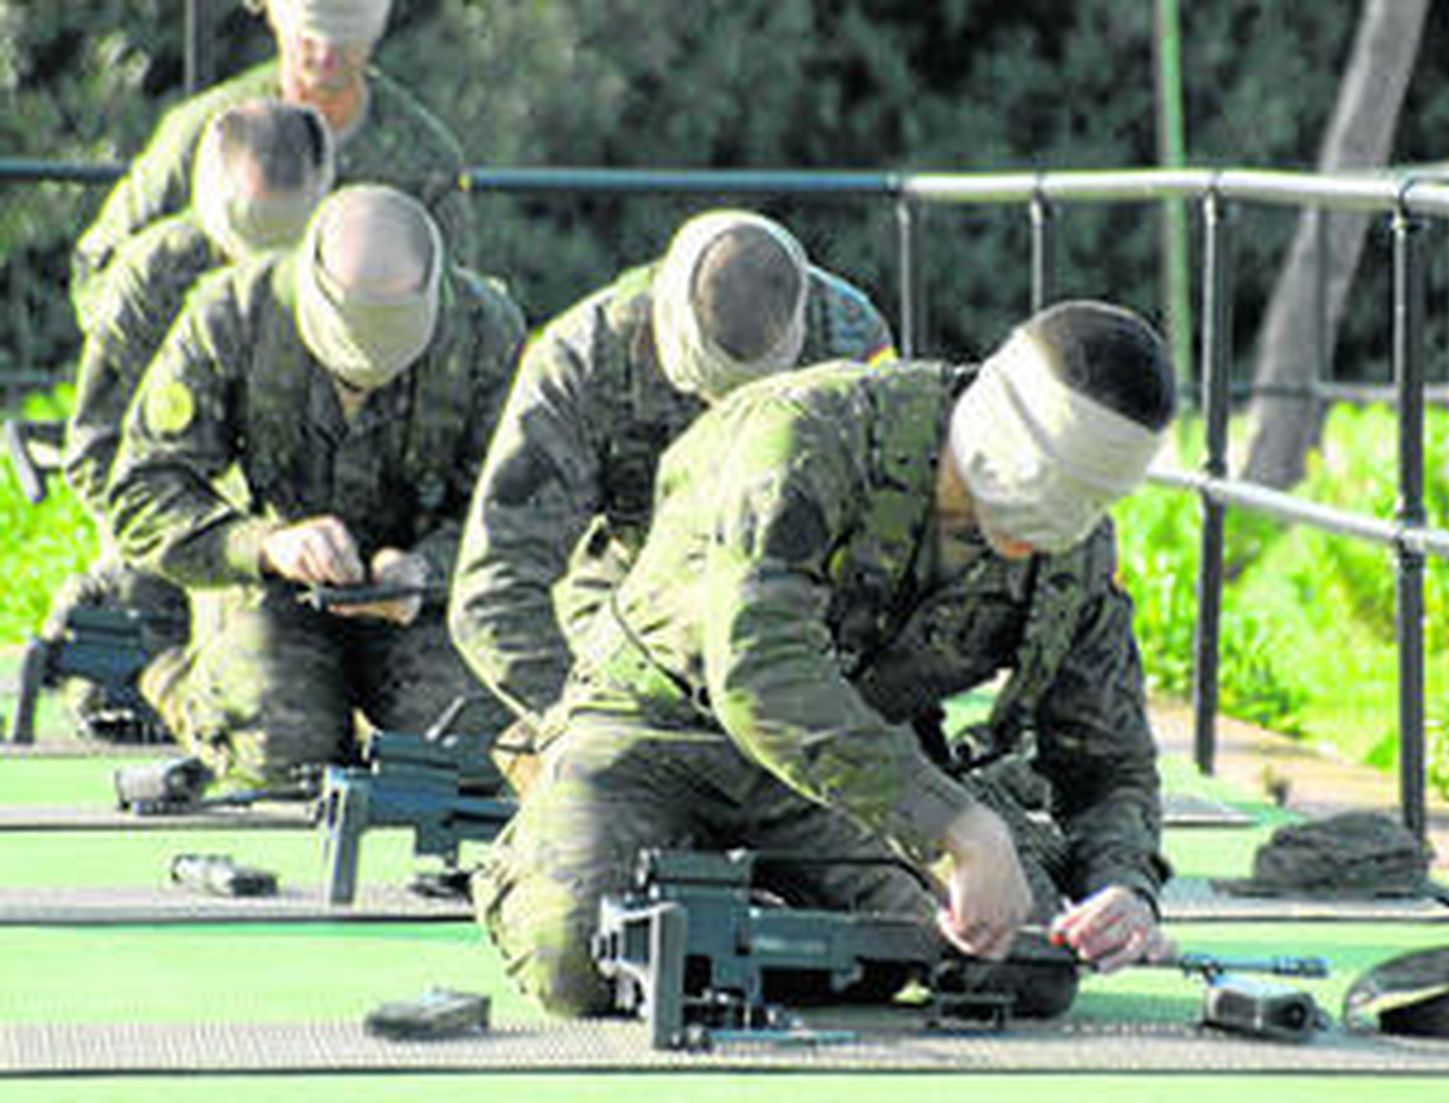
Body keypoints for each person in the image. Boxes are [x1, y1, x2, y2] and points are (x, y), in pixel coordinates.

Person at [473, 299, 1177, 1018]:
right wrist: (955, 825)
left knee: (1023, 964)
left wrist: (1122, 888)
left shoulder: (1078, 555)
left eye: (1080, 505)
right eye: (1038, 486)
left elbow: (1106, 759)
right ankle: (545, 852)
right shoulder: (813, 433)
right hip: (653, 732)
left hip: (843, 774)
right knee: (578, 959)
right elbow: (761, 674)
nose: (1045, 531)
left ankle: (757, 933)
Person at [449, 208, 896, 786]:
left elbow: (889, 542)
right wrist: (579, 716)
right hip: (632, 598)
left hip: (798, 603)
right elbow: (496, 589)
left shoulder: (853, 342)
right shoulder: (583, 357)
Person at [106, 184, 522, 789]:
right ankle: (171, 673)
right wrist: (268, 546)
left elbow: (518, 515)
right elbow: (142, 491)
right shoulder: (234, 315)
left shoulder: (487, 331)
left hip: (423, 602)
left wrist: (426, 570)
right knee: (281, 751)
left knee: (464, 755)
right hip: (267, 590)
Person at [44, 98, 335, 739]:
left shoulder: (342, 268)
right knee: (119, 704)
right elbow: (97, 453)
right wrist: (208, 540)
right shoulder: (153, 279)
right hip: (180, 531)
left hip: (307, 527)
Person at [73, 0, 473, 328]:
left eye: (345, 36)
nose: (325, 54)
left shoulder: (424, 159)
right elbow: (100, 269)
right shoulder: (208, 134)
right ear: (272, 15)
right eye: (309, 34)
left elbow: (457, 316)